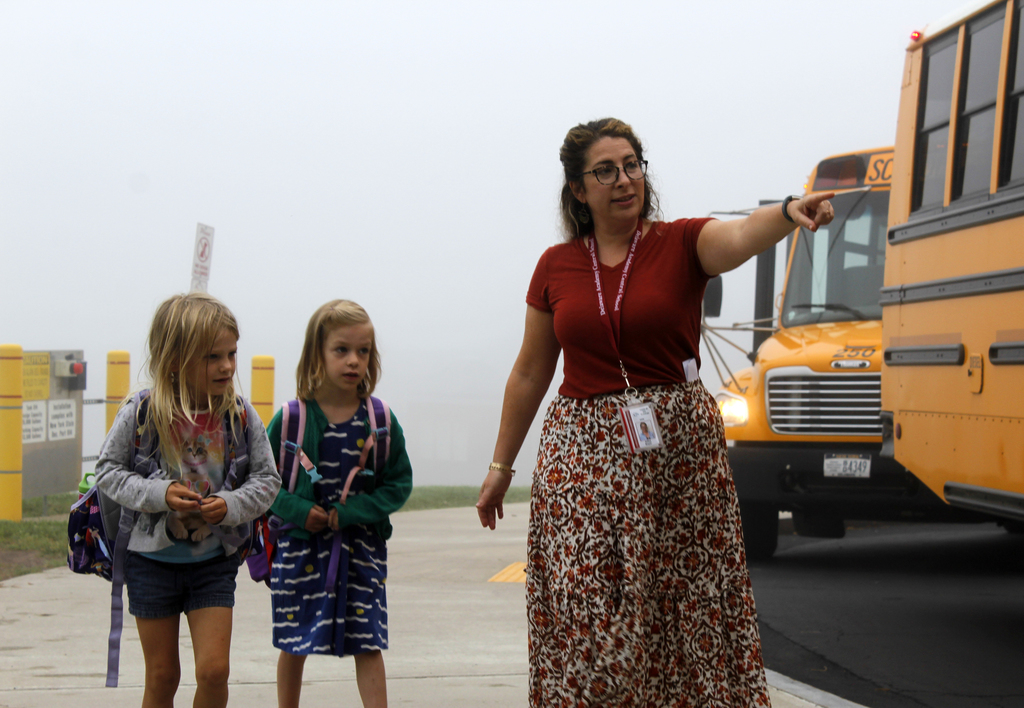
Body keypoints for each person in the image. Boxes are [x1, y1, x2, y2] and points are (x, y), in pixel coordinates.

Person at [476, 118, 834, 707]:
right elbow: (531, 372)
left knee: (679, 603)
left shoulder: (682, 243)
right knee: (584, 595)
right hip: (582, 451)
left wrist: (790, 210)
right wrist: (500, 466)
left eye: (633, 164)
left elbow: (743, 233)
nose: (624, 180)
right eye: (606, 170)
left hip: (675, 457)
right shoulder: (556, 266)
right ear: (578, 189)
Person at [95, 292, 281, 708]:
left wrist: (231, 504)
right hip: (149, 564)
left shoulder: (240, 415)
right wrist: (159, 494)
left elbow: (268, 479)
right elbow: (107, 471)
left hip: (213, 563)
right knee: (163, 677)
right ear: (175, 359)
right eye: (212, 357)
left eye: (232, 353)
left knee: (214, 672)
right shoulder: (142, 412)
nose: (228, 366)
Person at [267, 300, 413, 708]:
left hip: (361, 553)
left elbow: (398, 483)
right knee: (293, 642)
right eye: (342, 350)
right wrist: (298, 511)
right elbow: (262, 485)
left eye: (363, 351)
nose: (354, 361)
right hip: (300, 553)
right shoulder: (290, 420)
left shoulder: (380, 421)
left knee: (368, 640)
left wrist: (350, 513)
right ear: (317, 354)